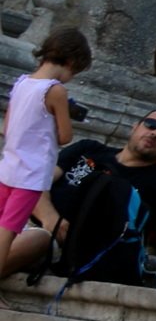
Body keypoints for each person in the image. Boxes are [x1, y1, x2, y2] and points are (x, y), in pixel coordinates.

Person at [5, 108, 156, 280]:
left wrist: (54, 230)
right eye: (151, 124)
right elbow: (34, 183)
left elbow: (127, 238)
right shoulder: (88, 149)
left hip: (60, 246)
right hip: (25, 214)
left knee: (38, 239)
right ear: (135, 126)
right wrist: (50, 218)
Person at [2, 28, 91, 235]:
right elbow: (65, 137)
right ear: (71, 62)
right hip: (31, 175)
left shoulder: (22, 82)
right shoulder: (56, 90)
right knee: (7, 230)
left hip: (8, 168)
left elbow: (8, 127)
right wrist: (63, 114)